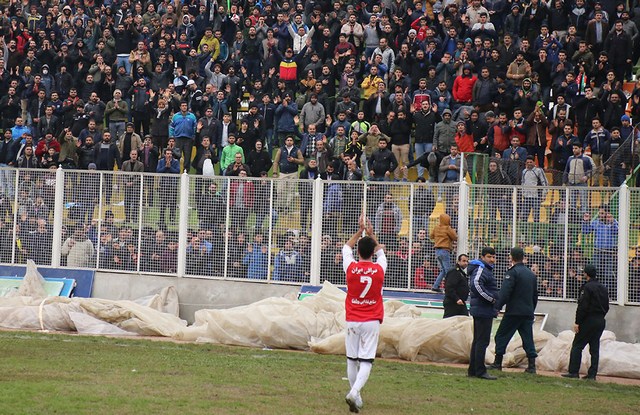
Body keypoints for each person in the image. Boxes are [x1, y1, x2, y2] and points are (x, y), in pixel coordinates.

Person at [342, 215, 386, 413]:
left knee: (352, 359)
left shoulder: (350, 267)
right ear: (372, 253)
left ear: (358, 251)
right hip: (371, 319)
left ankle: (355, 394)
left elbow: (346, 248)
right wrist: (371, 233)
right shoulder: (379, 268)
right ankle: (355, 392)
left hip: (352, 318)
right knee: (366, 360)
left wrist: (360, 231)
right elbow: (381, 251)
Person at [489, 247, 539, 374]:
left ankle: (497, 362)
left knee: (501, 336)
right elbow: (535, 295)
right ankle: (532, 366)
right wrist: (531, 309)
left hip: (514, 312)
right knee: (528, 338)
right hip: (527, 312)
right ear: (523, 257)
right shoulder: (530, 274)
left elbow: (505, 293)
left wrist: (497, 307)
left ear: (511, 257)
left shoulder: (512, 273)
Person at [562, 264, 610, 380]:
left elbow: (583, 306)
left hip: (588, 320)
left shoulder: (587, 287)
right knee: (594, 347)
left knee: (577, 345)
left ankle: (573, 372)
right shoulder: (603, 288)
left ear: (586, 274)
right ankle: (592, 374)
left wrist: (578, 322)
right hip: (600, 320)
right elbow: (607, 306)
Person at [468, 246, 499, 380]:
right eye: (489, 257)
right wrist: (491, 299)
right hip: (482, 309)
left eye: (493, 257)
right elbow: (476, 285)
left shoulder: (485, 269)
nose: (492, 259)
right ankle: (480, 370)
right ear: (482, 257)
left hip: (482, 309)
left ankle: (474, 369)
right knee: (482, 341)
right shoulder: (481, 269)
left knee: (478, 341)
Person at [430, 213, 458, 292]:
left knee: (443, 270)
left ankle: (435, 286)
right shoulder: (447, 228)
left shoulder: (436, 228)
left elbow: (431, 236)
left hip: (437, 251)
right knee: (448, 271)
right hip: (445, 250)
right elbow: (455, 237)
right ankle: (450, 288)